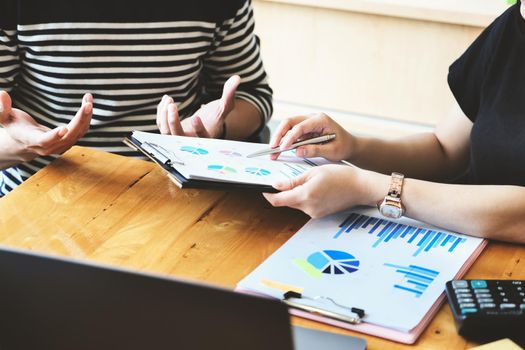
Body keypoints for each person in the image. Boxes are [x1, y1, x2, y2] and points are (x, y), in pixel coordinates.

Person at [264, 1, 525, 243]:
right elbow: (444, 149)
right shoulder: (510, 28)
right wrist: (353, 146)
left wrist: (371, 188)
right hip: (468, 246)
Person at [0, 0, 272, 196]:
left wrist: (214, 127)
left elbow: (253, 96)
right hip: (36, 197)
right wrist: (21, 142)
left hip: (174, 196)